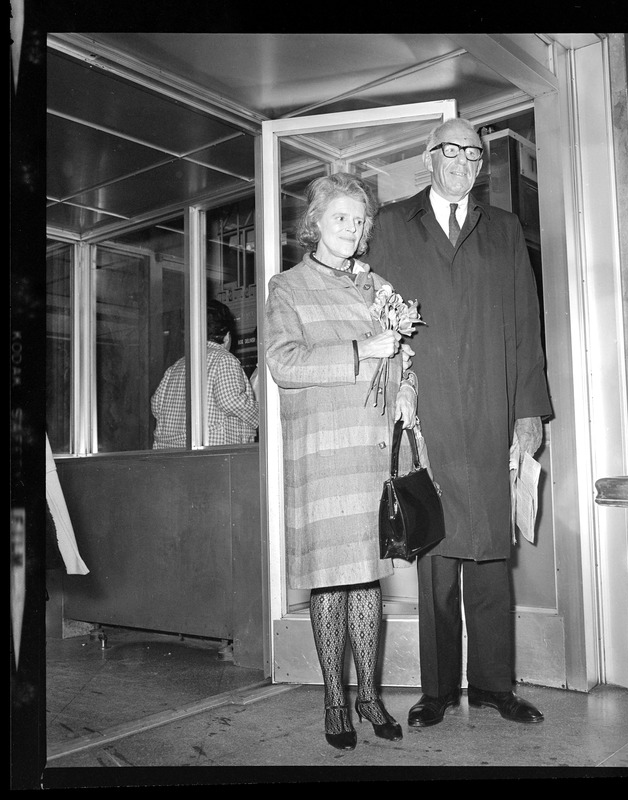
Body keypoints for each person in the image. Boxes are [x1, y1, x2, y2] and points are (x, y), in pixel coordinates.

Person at [365, 117, 554, 727]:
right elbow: (371, 313)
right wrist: (389, 391)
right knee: (437, 550)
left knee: (494, 552)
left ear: (481, 165)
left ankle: (496, 685)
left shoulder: (503, 228)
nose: (462, 162)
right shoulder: (392, 224)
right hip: (427, 411)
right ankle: (438, 689)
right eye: (450, 151)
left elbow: (527, 325)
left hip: (493, 411)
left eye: (473, 154)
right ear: (428, 158)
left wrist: (529, 412)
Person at [262, 172, 418, 750]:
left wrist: (406, 386)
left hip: (370, 451)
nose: (352, 230)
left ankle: (370, 695)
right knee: (332, 579)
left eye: (359, 221)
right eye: (341, 219)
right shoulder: (288, 286)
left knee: (367, 577)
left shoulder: (377, 287)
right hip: (324, 451)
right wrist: (362, 351)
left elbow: (401, 358)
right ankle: (334, 700)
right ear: (316, 224)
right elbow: (284, 363)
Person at [151, 299, 259, 448]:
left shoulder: (177, 366)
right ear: (227, 337)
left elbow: (156, 406)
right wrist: (260, 414)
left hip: (172, 452)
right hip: (212, 451)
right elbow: (230, 400)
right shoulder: (224, 359)